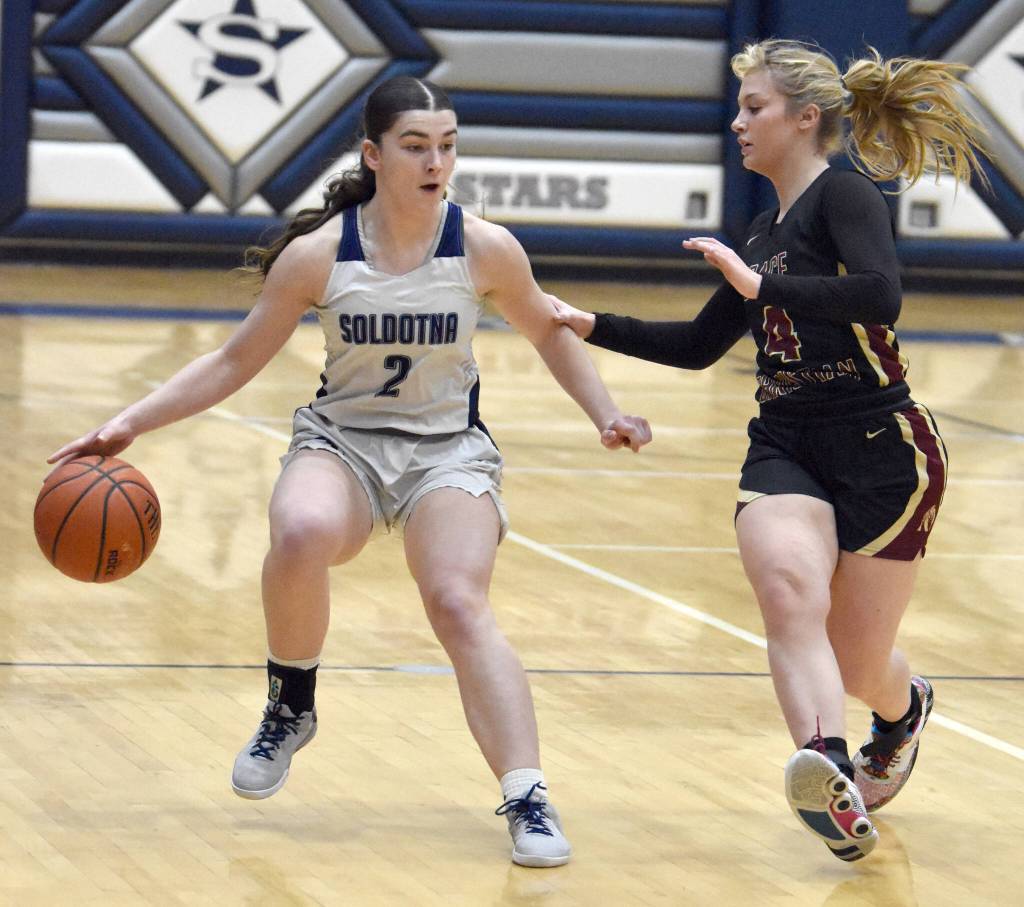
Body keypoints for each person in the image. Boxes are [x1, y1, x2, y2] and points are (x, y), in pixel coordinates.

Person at [47, 75, 652, 868]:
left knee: (458, 600)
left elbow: (549, 330)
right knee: (299, 530)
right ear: (374, 155)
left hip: (446, 451)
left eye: (448, 144)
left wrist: (604, 411)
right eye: (415, 146)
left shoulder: (484, 246)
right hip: (345, 444)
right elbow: (233, 361)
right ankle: (292, 702)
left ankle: (528, 794)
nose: (436, 160)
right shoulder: (320, 255)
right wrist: (129, 421)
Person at [550, 40, 987, 862]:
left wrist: (764, 288)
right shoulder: (761, 229)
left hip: (882, 445)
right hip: (785, 441)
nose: (738, 120)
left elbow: (882, 294)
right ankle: (827, 768)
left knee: (860, 660)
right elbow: (699, 344)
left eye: (754, 107)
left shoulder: (844, 196)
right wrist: (593, 324)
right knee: (787, 590)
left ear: (804, 117)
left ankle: (899, 712)